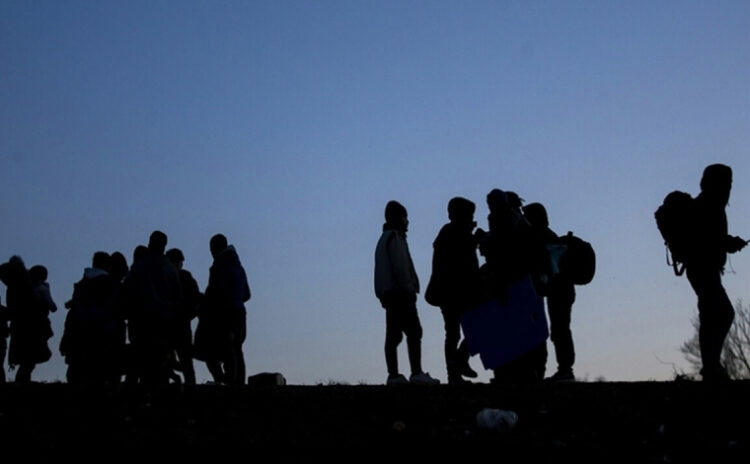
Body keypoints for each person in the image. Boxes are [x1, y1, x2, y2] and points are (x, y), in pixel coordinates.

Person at [684, 164, 747, 382]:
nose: (729, 187)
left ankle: (711, 366)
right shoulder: (708, 205)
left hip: (703, 269)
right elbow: (706, 238)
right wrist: (729, 243)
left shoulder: (709, 204)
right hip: (702, 269)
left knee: (713, 314)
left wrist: (728, 243)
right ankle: (711, 367)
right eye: (726, 183)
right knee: (720, 313)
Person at [375, 200, 440, 385]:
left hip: (390, 295)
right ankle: (416, 373)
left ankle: (393, 375)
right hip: (400, 294)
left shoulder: (384, 239)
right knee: (414, 332)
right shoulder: (394, 238)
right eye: (405, 218)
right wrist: (409, 288)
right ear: (397, 218)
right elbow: (401, 267)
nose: (407, 222)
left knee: (393, 335)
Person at [426, 197, 481, 385]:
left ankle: (457, 367)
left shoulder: (452, 232)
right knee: (461, 331)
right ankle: (457, 367)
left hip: (454, 292)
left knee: (459, 332)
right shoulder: (453, 233)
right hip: (455, 293)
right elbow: (461, 259)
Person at [120, 231, 182, 384]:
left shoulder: (139, 267)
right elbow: (177, 296)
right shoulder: (170, 269)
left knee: (139, 359)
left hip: (140, 320)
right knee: (159, 362)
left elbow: (127, 291)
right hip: (163, 321)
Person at [524, 202, 576, 382]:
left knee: (560, 330)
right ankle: (565, 369)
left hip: (558, 290)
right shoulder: (549, 235)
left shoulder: (540, 236)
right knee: (560, 329)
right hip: (562, 289)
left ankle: (566, 370)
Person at [196, 234, 251, 385]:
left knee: (225, 351)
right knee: (237, 350)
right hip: (240, 312)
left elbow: (214, 293)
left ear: (214, 248)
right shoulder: (239, 268)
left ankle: (228, 385)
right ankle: (239, 384)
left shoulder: (218, 267)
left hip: (225, 313)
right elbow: (247, 294)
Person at [60, 252, 120, 384]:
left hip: (79, 333)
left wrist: (66, 337)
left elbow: (73, 315)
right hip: (101, 334)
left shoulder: (82, 285)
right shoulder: (109, 284)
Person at [0, 256, 53, 383]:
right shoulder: (25, 285)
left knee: (27, 359)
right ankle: (23, 382)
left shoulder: (15, 286)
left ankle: (22, 381)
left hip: (23, 325)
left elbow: (15, 308)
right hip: (31, 325)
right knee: (29, 359)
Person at [166, 248, 201, 385]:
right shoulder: (186, 277)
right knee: (187, 362)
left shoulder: (165, 277)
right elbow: (196, 301)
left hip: (167, 324)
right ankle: (190, 391)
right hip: (182, 325)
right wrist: (187, 316)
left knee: (165, 361)